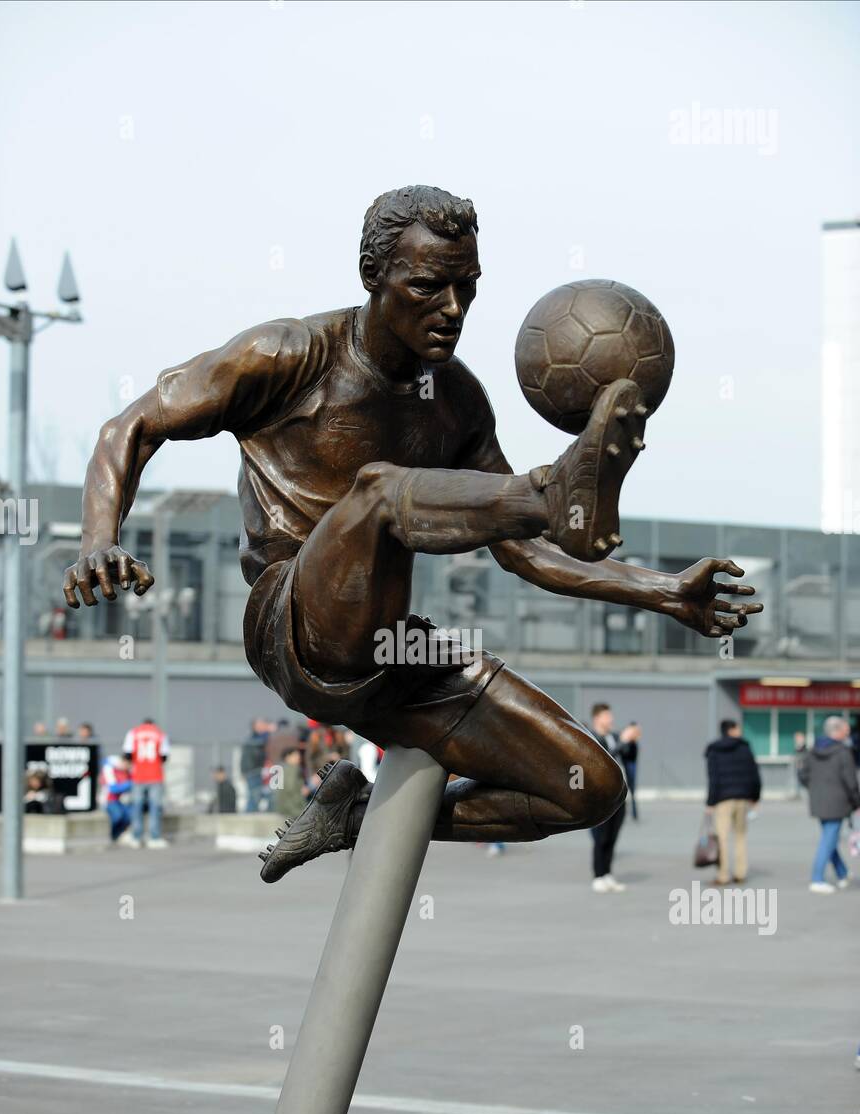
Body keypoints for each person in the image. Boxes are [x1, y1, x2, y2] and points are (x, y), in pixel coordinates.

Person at [63, 184, 760, 882]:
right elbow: (132, 426)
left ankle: (354, 817)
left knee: (589, 786)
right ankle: (550, 490)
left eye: (467, 287)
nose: (452, 309)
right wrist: (98, 539)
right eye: (429, 286)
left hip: (396, 648)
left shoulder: (457, 402)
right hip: (294, 625)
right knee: (381, 493)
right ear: (374, 278)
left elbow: (526, 554)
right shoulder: (289, 353)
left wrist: (666, 593)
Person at [798, 715, 860, 894]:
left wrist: (815, 789)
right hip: (838, 803)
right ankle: (817, 878)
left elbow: (802, 775)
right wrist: (857, 801)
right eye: (846, 729)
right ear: (838, 731)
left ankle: (842, 873)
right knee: (828, 840)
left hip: (818, 801)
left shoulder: (812, 750)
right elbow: (851, 781)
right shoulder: (843, 752)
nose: (848, 732)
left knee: (829, 838)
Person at [704, 719, 761, 886]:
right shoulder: (745, 748)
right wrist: (755, 797)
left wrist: (710, 802)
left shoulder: (714, 749)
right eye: (738, 728)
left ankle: (723, 875)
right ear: (731, 730)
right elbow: (754, 774)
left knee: (722, 837)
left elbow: (713, 778)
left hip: (723, 800)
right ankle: (740, 873)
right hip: (742, 799)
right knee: (740, 836)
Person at [587, 704, 631, 891]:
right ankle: (598, 875)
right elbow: (602, 761)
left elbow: (628, 757)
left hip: (619, 796)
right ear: (597, 718)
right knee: (601, 837)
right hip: (601, 797)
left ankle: (608, 873)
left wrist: (631, 742)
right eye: (607, 715)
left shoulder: (614, 736)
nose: (611, 719)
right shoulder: (591, 738)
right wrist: (622, 742)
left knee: (613, 837)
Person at [122, 717, 170, 847]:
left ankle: (136, 836)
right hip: (155, 775)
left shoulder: (134, 733)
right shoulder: (160, 734)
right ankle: (154, 837)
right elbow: (164, 756)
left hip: (138, 775)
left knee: (136, 806)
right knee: (155, 807)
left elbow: (127, 754)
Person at [99, 754, 133, 841]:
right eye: (128, 764)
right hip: (108, 800)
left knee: (130, 814)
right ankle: (113, 835)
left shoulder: (127, 772)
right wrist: (130, 784)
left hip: (120, 801)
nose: (129, 767)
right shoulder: (109, 768)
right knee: (118, 815)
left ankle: (119, 834)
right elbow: (113, 789)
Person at [240, 718, 270, 812]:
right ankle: (249, 814)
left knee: (257, 794)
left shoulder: (256, 738)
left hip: (255, 771)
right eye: (261, 725)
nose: (264, 727)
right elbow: (260, 744)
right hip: (252, 772)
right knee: (254, 795)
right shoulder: (253, 739)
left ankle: (251, 813)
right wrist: (268, 732)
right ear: (255, 727)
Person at [273, 748, 310, 824]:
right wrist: (302, 792)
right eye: (295, 756)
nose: (298, 758)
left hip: (283, 808)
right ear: (288, 757)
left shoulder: (280, 769)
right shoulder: (293, 768)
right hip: (294, 808)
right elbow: (291, 788)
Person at [619, 720, 641, 820]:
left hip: (631, 766)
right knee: (629, 790)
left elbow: (626, 753)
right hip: (628, 765)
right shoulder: (628, 742)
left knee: (631, 790)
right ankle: (632, 813)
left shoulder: (633, 743)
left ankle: (634, 813)